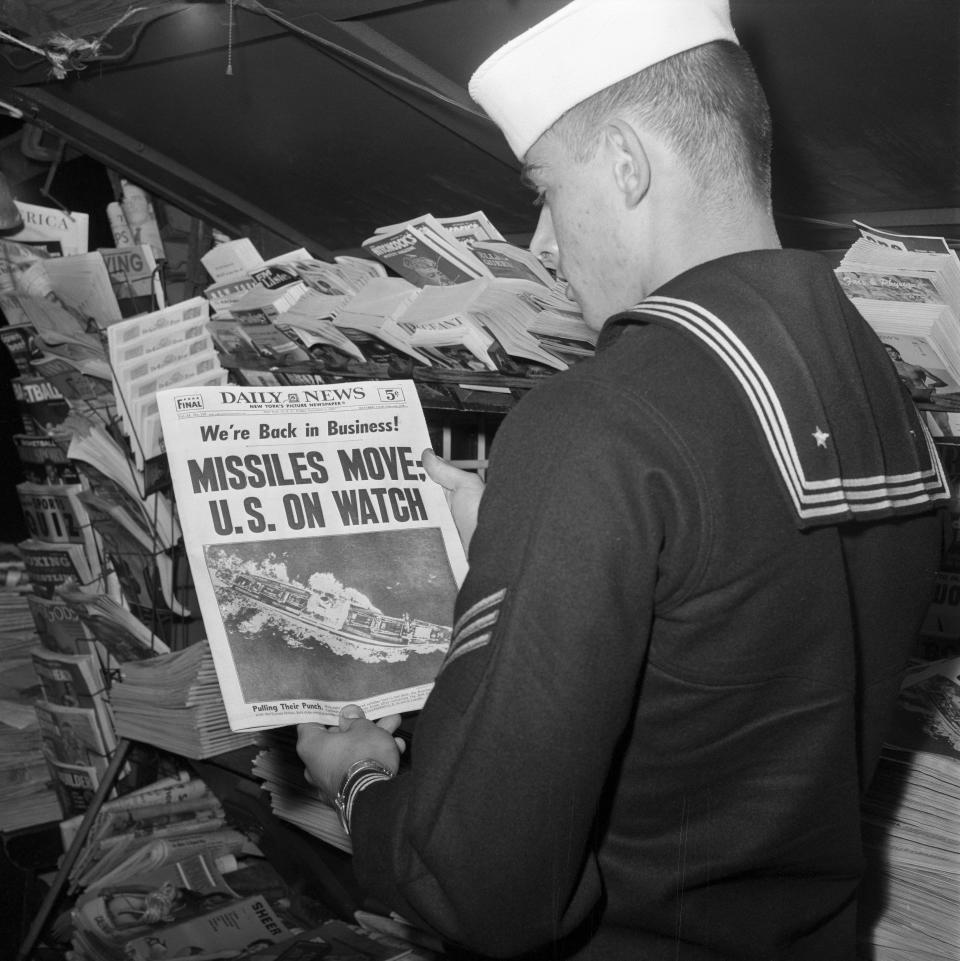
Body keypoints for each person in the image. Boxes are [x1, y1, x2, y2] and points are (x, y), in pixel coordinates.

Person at [297, 2, 950, 958]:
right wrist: (525, 535)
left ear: (626, 163)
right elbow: (739, 606)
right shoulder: (876, 383)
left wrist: (358, 782)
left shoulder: (598, 422)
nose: (547, 246)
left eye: (548, 192)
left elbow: (477, 885)